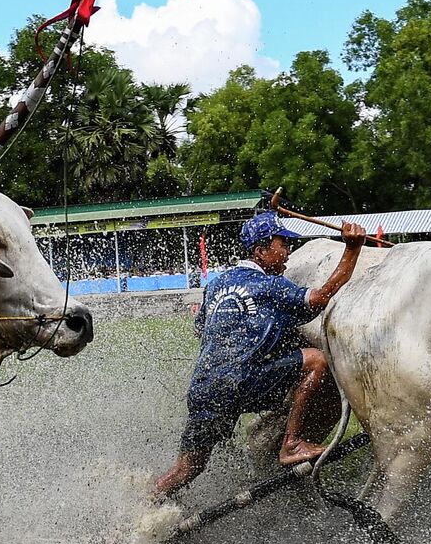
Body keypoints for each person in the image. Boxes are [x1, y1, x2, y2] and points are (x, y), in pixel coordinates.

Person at [153, 212, 369, 500]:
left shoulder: (217, 284)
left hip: (204, 389)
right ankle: (291, 443)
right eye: (283, 245)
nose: (288, 252)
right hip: (241, 384)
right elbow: (319, 299)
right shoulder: (270, 285)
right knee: (316, 360)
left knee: (186, 470)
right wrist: (352, 250)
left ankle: (142, 507)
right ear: (261, 250)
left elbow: (201, 329)